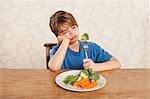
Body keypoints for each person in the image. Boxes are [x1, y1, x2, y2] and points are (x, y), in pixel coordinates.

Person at [48, 10, 121, 71]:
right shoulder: (57, 51)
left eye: (73, 27)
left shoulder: (91, 47)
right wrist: (66, 41)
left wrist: (95, 67)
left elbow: (117, 63)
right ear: (58, 36)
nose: (71, 33)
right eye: (65, 32)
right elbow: (54, 67)